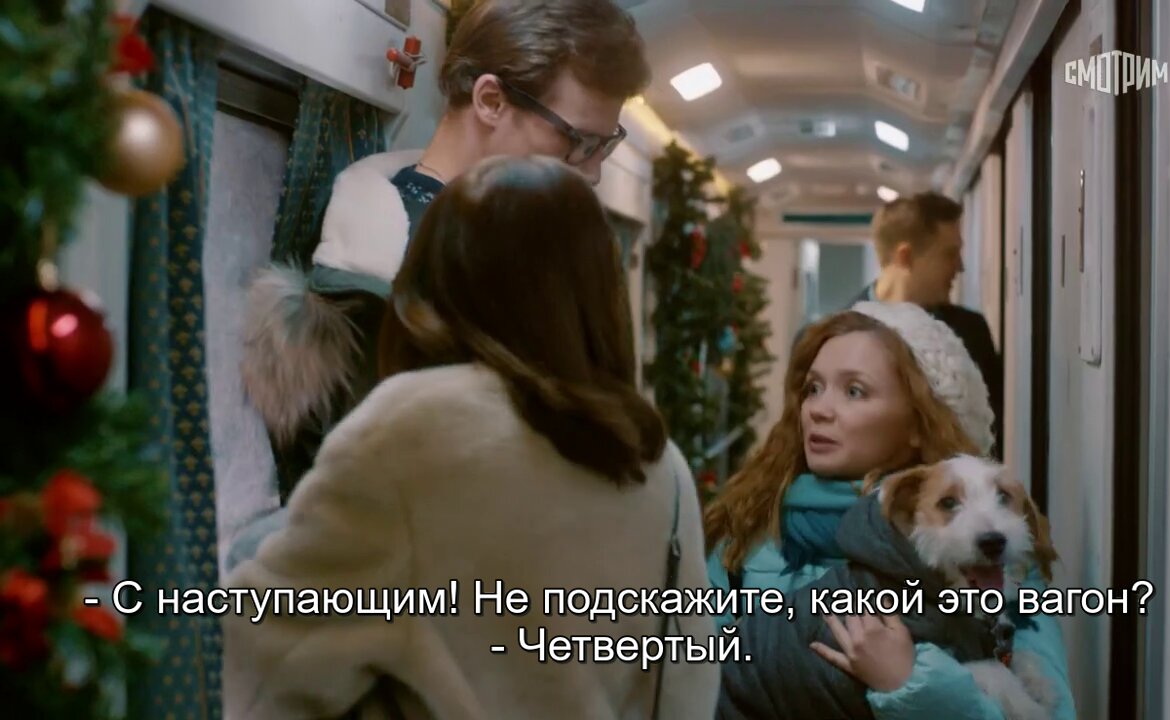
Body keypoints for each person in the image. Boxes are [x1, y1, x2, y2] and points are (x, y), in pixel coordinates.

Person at [222, 156, 718, 719]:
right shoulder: (657, 463)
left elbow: (267, 663)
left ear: (433, 280)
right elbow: (686, 688)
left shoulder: (414, 430)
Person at [239, 0, 652, 499]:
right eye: (579, 140)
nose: (593, 172)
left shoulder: (530, 247)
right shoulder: (387, 268)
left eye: (605, 145)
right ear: (491, 100)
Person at [705, 302, 1073, 719]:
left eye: (854, 391)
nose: (819, 409)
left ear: (919, 421)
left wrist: (915, 686)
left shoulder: (997, 559)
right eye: (813, 388)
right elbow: (690, 691)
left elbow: (1055, 713)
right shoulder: (742, 536)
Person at [854, 192, 1004, 459]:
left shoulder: (971, 333)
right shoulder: (834, 334)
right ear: (905, 257)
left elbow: (991, 438)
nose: (960, 267)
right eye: (950, 254)